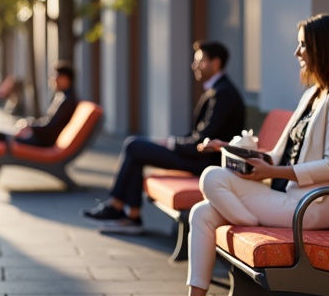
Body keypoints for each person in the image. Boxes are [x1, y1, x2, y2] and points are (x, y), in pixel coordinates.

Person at [149, 14, 329, 296]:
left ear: (326, 48)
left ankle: (245, 221)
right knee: (201, 213)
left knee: (212, 178)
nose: (298, 53)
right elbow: (276, 154)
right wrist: (231, 148)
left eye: (303, 45)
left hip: (312, 207)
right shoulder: (314, 95)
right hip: (289, 198)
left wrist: (275, 170)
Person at [86, 40, 246, 234]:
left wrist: (172, 143)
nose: (194, 66)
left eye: (200, 61)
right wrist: (172, 142)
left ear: (216, 63)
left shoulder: (224, 94)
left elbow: (204, 140)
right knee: (137, 150)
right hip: (198, 156)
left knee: (134, 146)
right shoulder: (218, 90)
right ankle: (130, 216)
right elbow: (200, 135)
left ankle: (118, 208)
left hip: (205, 162)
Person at [0, 61, 79, 165]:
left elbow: (51, 127)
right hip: (44, 138)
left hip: (44, 142)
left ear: (65, 78)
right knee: (3, 135)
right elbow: (51, 123)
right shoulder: (64, 97)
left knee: (0, 135)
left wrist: (30, 126)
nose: (52, 79)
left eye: (55, 76)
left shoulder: (67, 100)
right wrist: (30, 123)